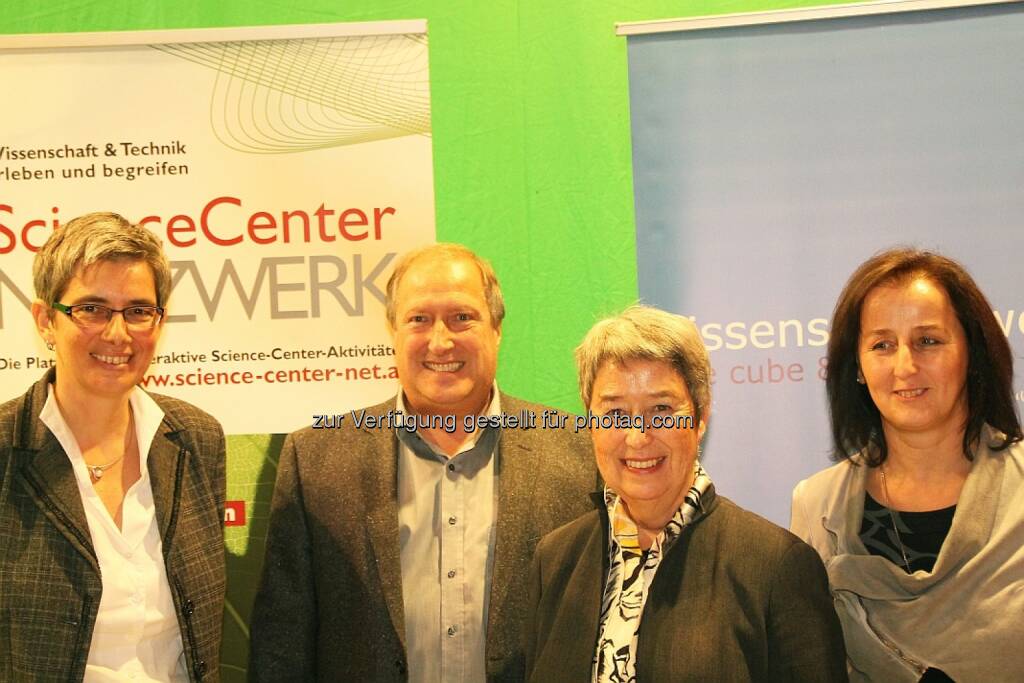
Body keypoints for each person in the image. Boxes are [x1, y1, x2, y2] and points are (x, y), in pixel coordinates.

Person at [250, 243, 597, 682]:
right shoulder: (315, 459)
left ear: (496, 329)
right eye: (419, 319)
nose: (440, 340)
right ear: (392, 330)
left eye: (462, 317)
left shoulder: (579, 450)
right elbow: (282, 645)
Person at [525, 304, 847, 682]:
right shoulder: (556, 559)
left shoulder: (777, 567)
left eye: (661, 409)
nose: (637, 436)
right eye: (614, 413)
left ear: (700, 416)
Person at [0, 212, 226, 681]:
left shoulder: (196, 438)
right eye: (92, 308)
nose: (117, 334)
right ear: (46, 321)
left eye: (138, 311)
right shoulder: (6, 446)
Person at [791, 248, 1024, 682]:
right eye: (882, 345)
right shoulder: (817, 505)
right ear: (858, 367)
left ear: (971, 352)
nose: (905, 366)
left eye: (928, 341)